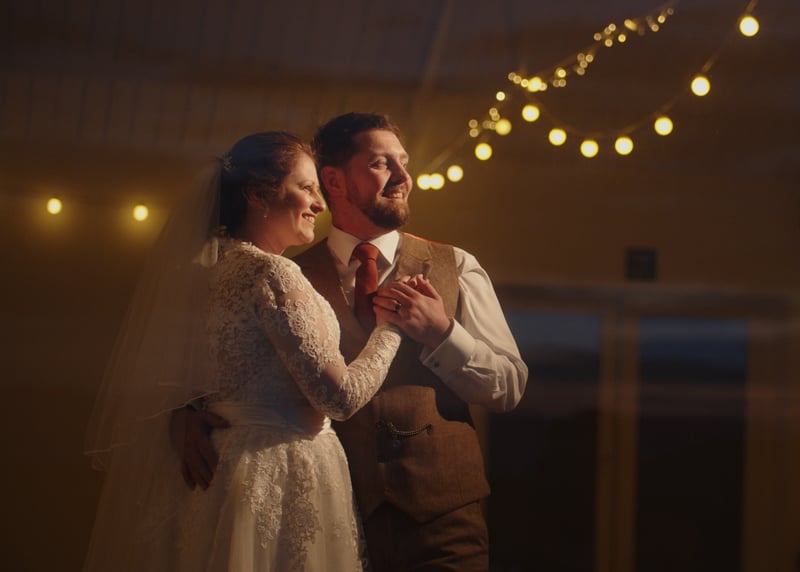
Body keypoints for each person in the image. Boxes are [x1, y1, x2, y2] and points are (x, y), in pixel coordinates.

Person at [181, 112, 529, 571]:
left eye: (404, 163)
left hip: (442, 524)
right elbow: (230, 363)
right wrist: (185, 414)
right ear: (334, 180)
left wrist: (442, 334)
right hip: (329, 517)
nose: (403, 177)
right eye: (382, 163)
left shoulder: (457, 265)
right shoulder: (284, 274)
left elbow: (508, 387)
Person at [83, 131, 408, 571]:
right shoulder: (272, 273)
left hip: (222, 473)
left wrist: (183, 414)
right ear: (258, 195)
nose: (320, 204)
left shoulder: (201, 277)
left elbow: (187, 378)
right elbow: (339, 399)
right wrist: (391, 330)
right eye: (306, 188)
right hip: (280, 467)